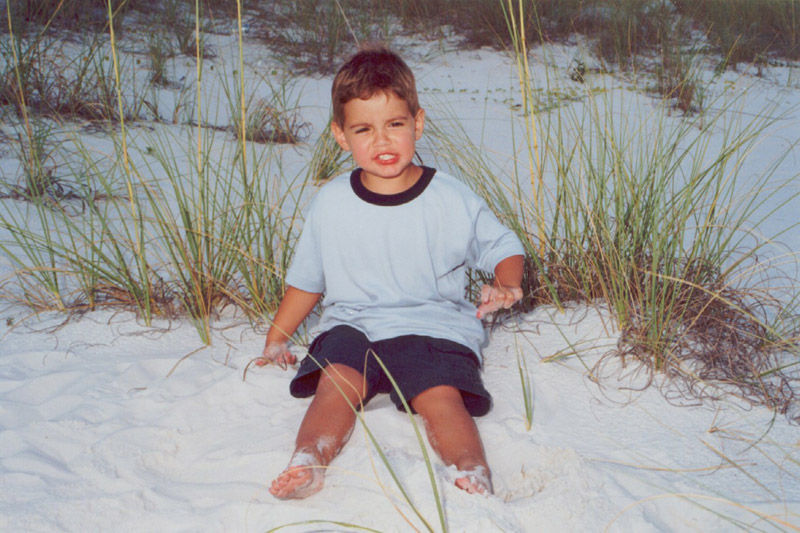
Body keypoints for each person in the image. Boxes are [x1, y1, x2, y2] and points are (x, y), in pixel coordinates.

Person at [257, 45, 525, 499]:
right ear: (341, 136)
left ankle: (472, 469)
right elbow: (307, 279)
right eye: (364, 129)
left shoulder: (449, 196)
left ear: (417, 123)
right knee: (335, 383)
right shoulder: (332, 201)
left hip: (431, 325)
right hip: (354, 324)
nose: (382, 142)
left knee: (440, 395)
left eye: (395, 125)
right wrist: (276, 336)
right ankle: (309, 459)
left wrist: (507, 282)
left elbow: (503, 245)